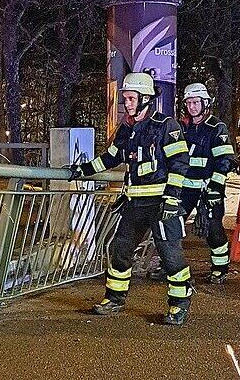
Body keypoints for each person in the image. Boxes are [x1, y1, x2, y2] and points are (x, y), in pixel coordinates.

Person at [68, 72, 193, 325]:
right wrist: (82, 170)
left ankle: (179, 303)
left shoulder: (166, 126)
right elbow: (110, 157)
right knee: (119, 249)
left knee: (170, 255)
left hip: (161, 204)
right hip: (134, 203)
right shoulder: (127, 128)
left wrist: (172, 199)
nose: (127, 103)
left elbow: (180, 163)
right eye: (125, 98)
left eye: (131, 98)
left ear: (146, 98)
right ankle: (114, 298)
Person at [179, 83, 236, 284]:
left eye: (196, 102)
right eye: (189, 103)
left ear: (205, 103)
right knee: (173, 226)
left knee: (214, 229)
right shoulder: (182, 127)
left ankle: (220, 268)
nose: (192, 107)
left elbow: (225, 160)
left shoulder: (216, 128)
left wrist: (215, 188)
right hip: (185, 187)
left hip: (208, 188)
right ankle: (169, 265)